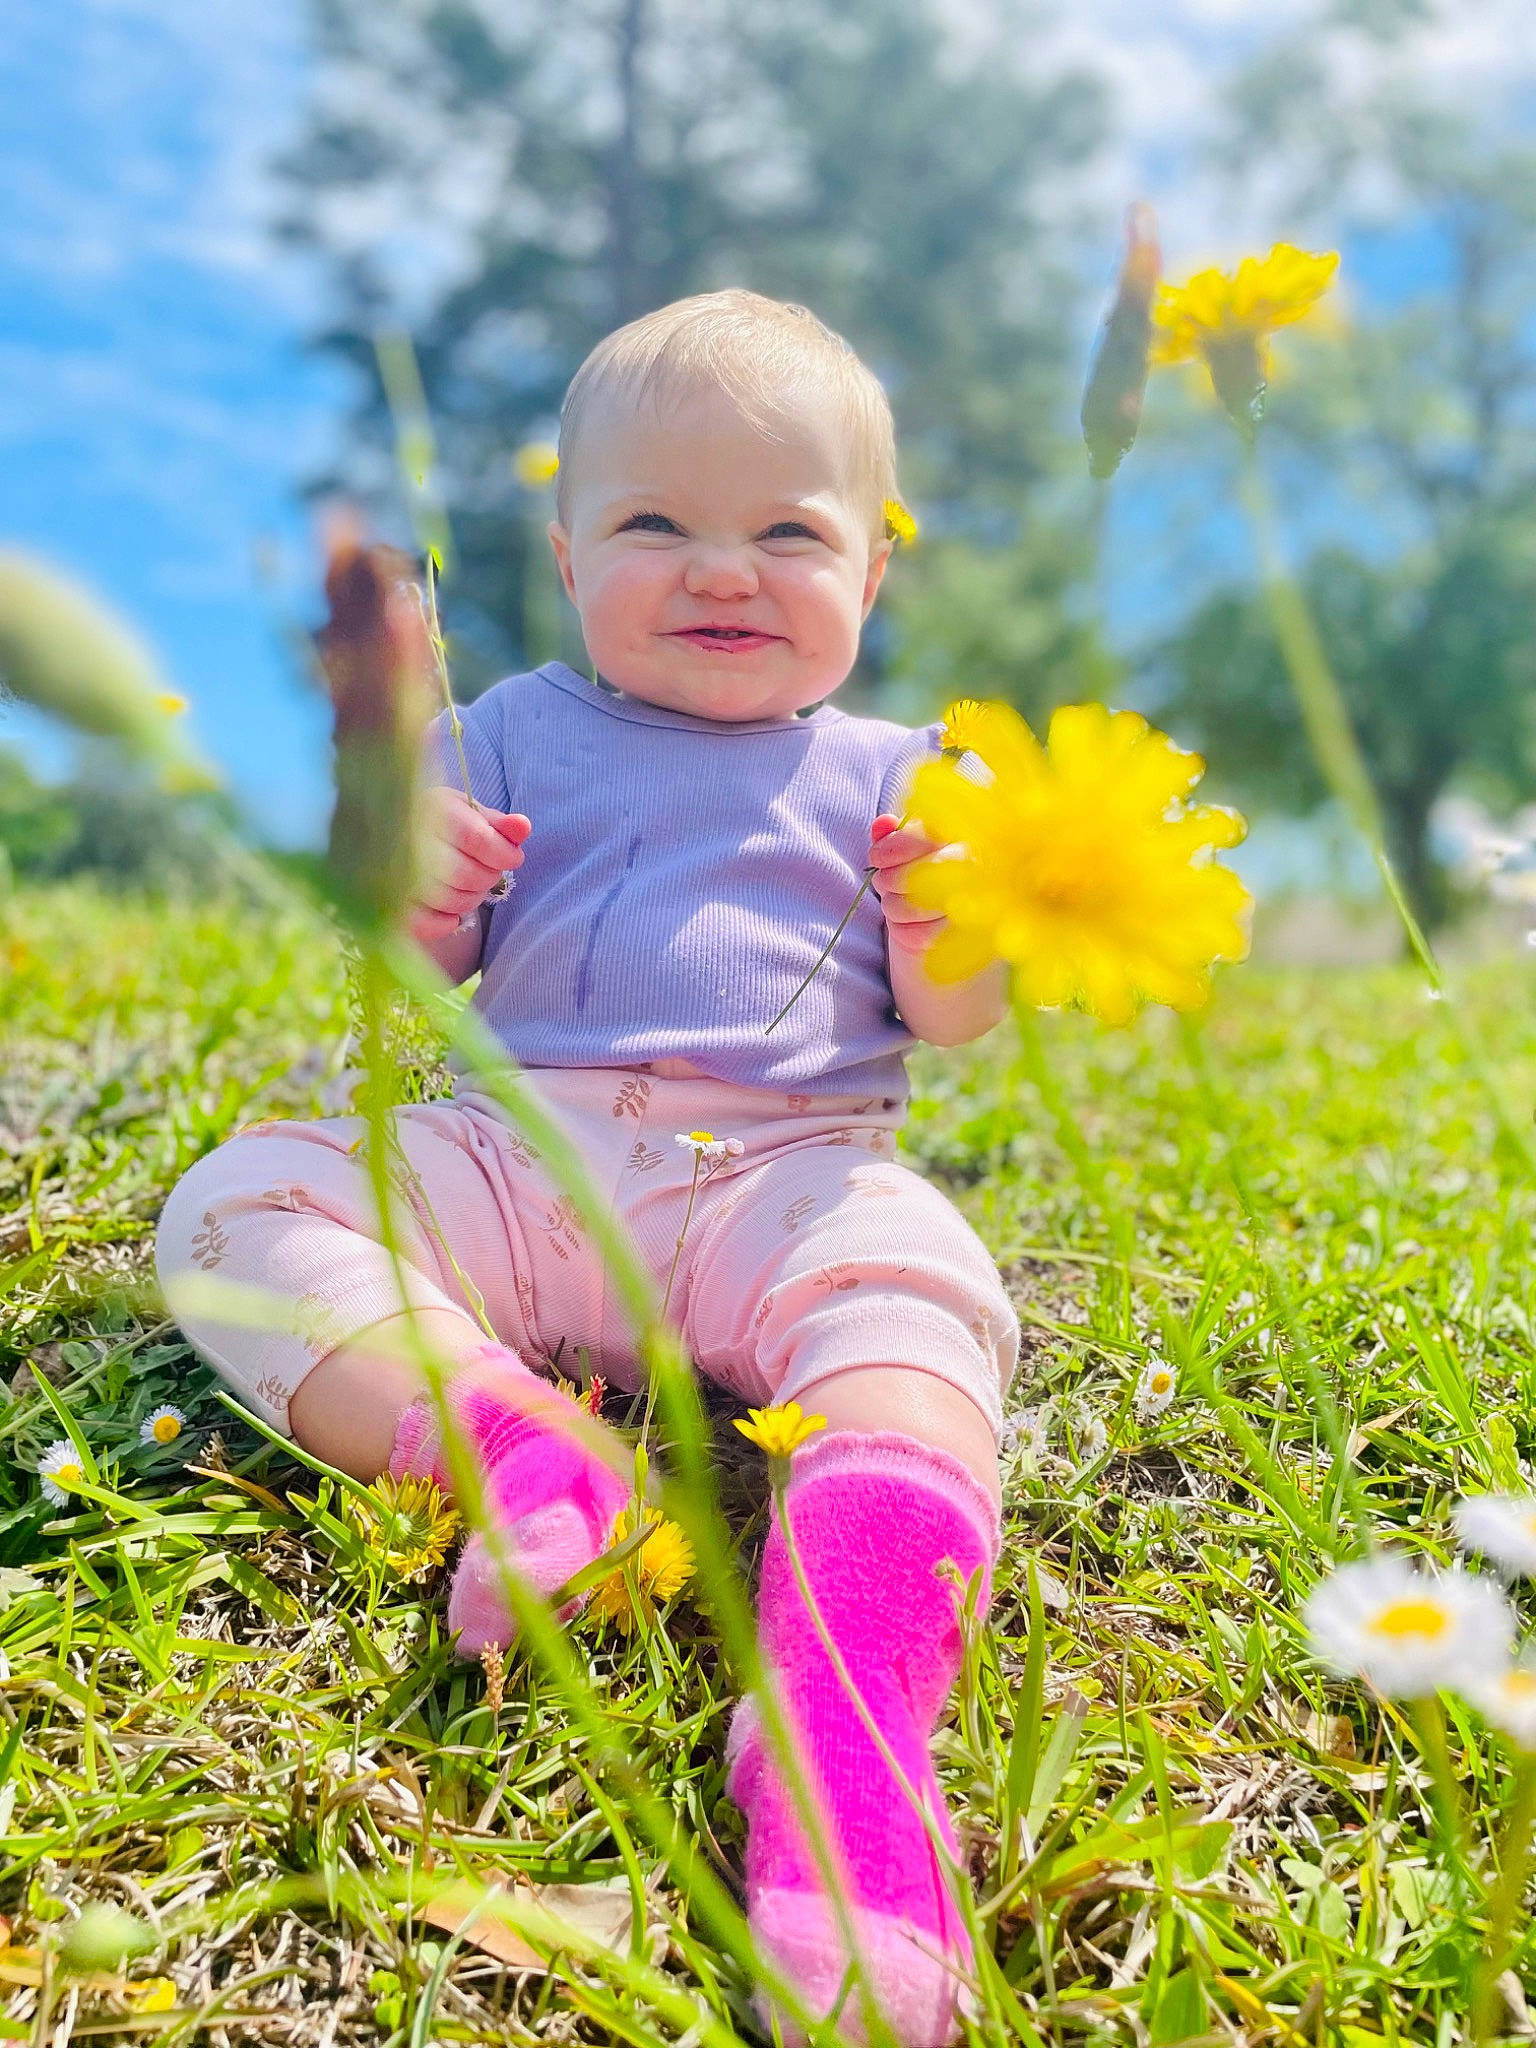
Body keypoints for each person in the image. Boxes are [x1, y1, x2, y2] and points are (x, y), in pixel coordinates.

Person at [157, 288, 1020, 2046]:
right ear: (565, 558)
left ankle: (843, 1731)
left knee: (924, 1300)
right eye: (655, 524)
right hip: (519, 1152)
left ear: (871, 581)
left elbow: (958, 1015)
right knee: (238, 1203)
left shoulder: (897, 772)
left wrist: (955, 903)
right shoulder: (513, 736)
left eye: (790, 530)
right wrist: (423, 880)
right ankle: (508, 1448)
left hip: (789, 1169)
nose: (722, 569)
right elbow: (409, 972)